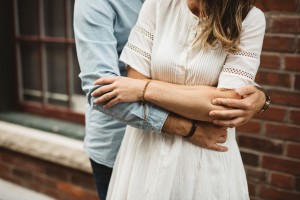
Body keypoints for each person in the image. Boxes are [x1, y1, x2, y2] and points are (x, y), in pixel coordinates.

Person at [74, 0, 269, 199]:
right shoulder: (122, 4)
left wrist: (143, 88)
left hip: (204, 153)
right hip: (128, 144)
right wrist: (190, 128)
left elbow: (227, 100)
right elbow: (100, 88)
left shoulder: (249, 18)